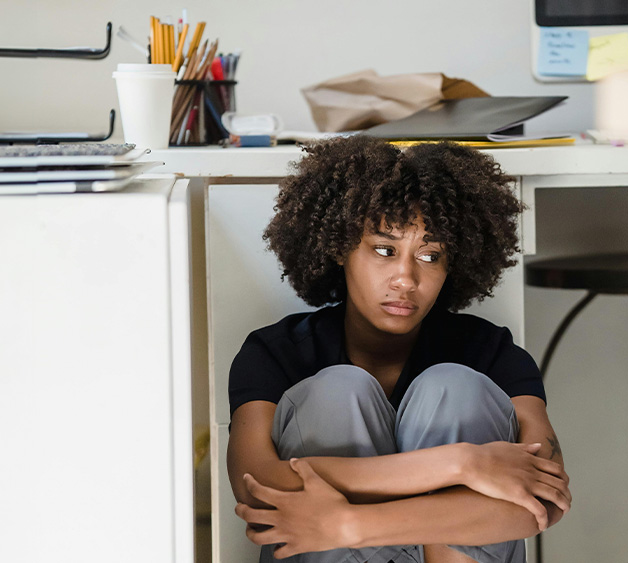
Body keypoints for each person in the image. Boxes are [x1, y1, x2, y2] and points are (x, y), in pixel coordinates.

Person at [227, 135, 571, 563]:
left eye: (430, 256)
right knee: (338, 390)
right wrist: (461, 464)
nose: (406, 279)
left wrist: (351, 525)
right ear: (340, 248)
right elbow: (259, 485)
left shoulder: (489, 351)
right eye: (385, 250)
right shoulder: (277, 352)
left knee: (454, 385)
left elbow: (546, 502)